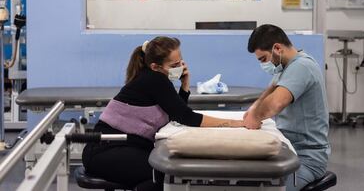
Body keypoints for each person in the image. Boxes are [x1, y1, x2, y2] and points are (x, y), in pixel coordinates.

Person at [82, 37, 244, 191]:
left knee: (166, 170)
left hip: (120, 148)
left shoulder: (154, 78)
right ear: (155, 66)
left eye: (180, 61)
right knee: (164, 173)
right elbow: (186, 116)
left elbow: (174, 112)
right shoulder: (154, 80)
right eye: (174, 65)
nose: (180, 67)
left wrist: (185, 85)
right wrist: (234, 123)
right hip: (103, 152)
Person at [243, 24, 330, 191]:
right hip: (288, 148)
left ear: (277, 48)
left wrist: (255, 116)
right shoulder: (284, 66)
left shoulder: (302, 67)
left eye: (263, 59)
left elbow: (275, 103)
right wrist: (253, 110)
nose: (263, 64)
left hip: (307, 158)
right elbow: (269, 93)